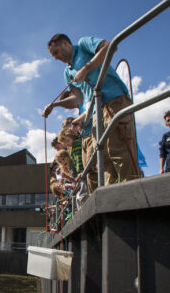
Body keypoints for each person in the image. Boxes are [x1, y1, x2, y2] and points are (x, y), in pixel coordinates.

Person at [43, 33, 139, 193]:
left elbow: (109, 46)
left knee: (119, 149)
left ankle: (131, 193)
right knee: (103, 157)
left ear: (65, 43)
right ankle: (113, 197)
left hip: (113, 100)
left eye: (56, 52)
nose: (56, 58)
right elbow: (78, 98)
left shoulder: (83, 45)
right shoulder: (68, 72)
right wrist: (55, 105)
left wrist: (87, 67)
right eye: (53, 56)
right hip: (95, 112)